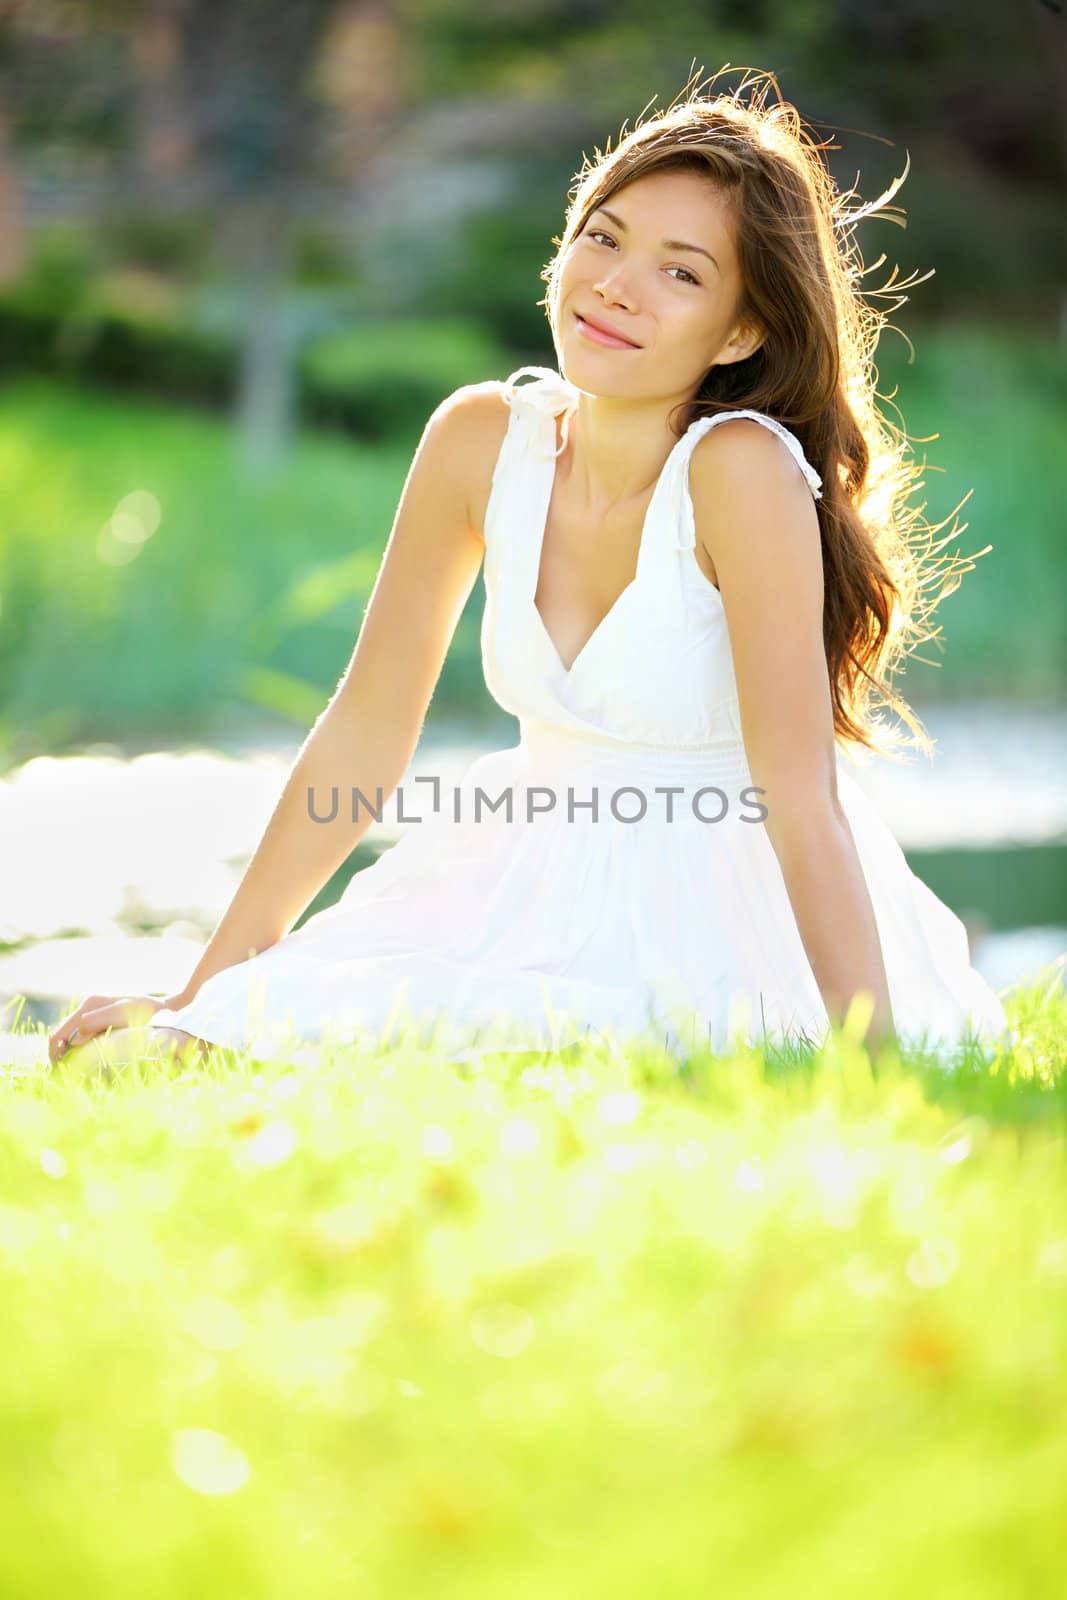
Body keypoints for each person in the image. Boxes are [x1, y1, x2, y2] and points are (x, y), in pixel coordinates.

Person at [47, 71, 1009, 1074]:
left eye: (679, 273)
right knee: (186, 1050)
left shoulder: (739, 468)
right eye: (603, 236)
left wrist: (874, 1053)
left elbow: (796, 790)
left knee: (505, 1053)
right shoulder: (477, 439)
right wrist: (210, 991)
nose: (616, 286)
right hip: (510, 871)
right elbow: (365, 732)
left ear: (739, 331)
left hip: (714, 905)